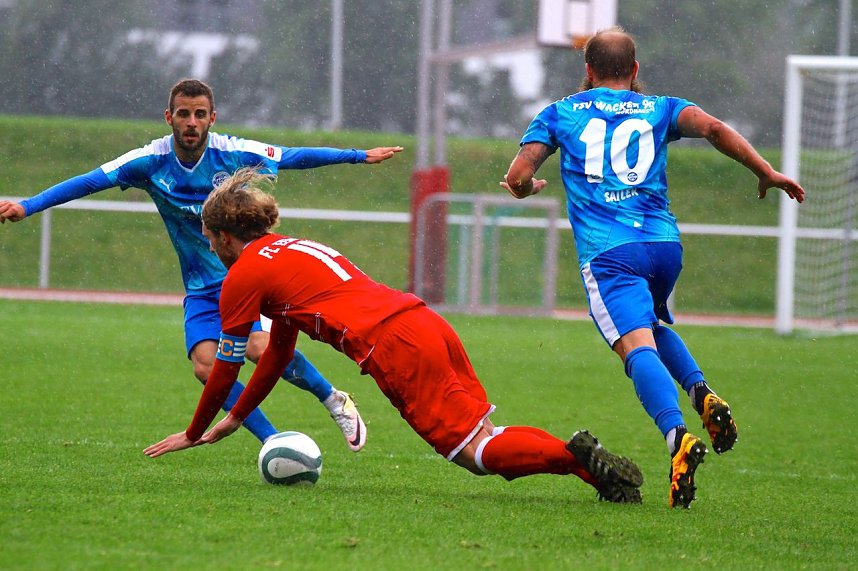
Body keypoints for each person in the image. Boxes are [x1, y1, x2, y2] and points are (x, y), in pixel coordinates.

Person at [143, 167, 645, 504]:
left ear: (224, 235)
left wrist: (193, 433)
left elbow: (227, 364)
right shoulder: (289, 247)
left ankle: (571, 453)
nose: (210, 247)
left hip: (395, 348)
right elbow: (277, 353)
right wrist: (234, 419)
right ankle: (591, 472)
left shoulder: (242, 276)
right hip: (424, 322)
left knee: (473, 455)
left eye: (209, 239)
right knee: (486, 435)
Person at [0, 78, 404, 451]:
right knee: (205, 366)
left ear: (212, 118)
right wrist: (28, 205)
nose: (191, 122)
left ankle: (333, 398)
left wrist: (356, 156)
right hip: (201, 287)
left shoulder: (232, 152)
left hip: (248, 276)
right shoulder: (149, 162)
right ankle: (275, 441)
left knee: (262, 350)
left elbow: (293, 156)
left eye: (199, 114)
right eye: (182, 114)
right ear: (169, 117)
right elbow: (88, 181)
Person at [501, 27, 805, 508]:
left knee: (633, 346)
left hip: (609, 253)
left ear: (588, 71)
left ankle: (676, 437)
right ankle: (701, 391)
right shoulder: (660, 107)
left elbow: (519, 176)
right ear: (635, 70)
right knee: (652, 326)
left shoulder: (560, 113)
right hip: (664, 246)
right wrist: (764, 170)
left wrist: (529, 190)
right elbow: (714, 128)